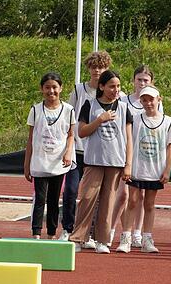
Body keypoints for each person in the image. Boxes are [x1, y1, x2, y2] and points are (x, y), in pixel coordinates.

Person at [70, 70, 133, 254]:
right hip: (94, 160)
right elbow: (81, 132)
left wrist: (128, 164)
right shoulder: (90, 105)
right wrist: (100, 120)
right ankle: (78, 238)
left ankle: (102, 240)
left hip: (115, 162)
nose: (116, 90)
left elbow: (128, 138)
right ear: (102, 86)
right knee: (87, 198)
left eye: (118, 86)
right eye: (112, 86)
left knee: (108, 202)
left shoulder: (123, 108)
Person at [61, 50, 112, 246]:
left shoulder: (113, 93)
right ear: (89, 68)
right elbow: (69, 118)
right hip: (77, 149)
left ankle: (89, 234)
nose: (97, 70)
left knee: (94, 195)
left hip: (98, 152)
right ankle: (67, 229)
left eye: (101, 67)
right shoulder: (78, 90)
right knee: (71, 190)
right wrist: (67, 144)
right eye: (93, 67)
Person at [116, 86, 171, 254]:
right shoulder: (135, 119)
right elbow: (129, 142)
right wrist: (127, 165)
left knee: (149, 204)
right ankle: (126, 237)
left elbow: (170, 147)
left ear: (158, 100)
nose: (148, 103)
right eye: (144, 100)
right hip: (137, 167)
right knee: (133, 201)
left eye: (151, 99)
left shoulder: (167, 121)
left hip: (155, 169)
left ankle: (147, 238)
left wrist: (167, 170)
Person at [110, 65, 161, 248]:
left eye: (145, 80)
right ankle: (112, 230)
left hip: (146, 154)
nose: (142, 83)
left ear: (151, 83)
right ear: (133, 81)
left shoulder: (155, 102)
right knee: (123, 195)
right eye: (139, 79)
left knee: (141, 197)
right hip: (125, 152)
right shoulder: (124, 100)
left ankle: (137, 233)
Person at [24, 72, 75, 239]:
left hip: (58, 162)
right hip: (39, 161)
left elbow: (70, 134)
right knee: (40, 198)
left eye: (54, 87)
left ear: (60, 88)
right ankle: (36, 232)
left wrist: (68, 152)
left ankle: (52, 233)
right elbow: (31, 138)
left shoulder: (68, 110)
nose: (51, 91)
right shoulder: (36, 110)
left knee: (54, 200)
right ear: (41, 89)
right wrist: (26, 164)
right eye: (47, 87)